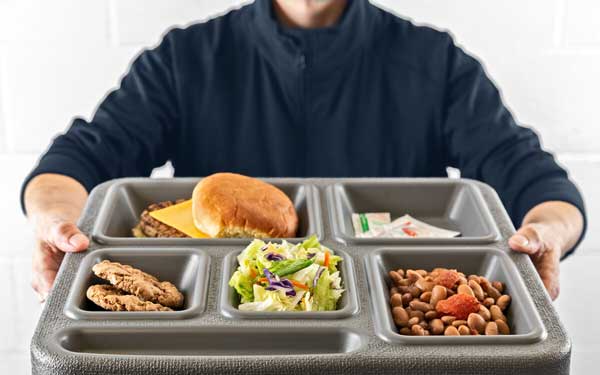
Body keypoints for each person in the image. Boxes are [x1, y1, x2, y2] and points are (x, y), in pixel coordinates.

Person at [22, 0, 585, 301]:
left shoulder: (434, 62)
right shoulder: (185, 58)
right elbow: (80, 160)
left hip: (388, 361)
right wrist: (56, 219)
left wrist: (549, 232)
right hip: (222, 351)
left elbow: (535, 181)